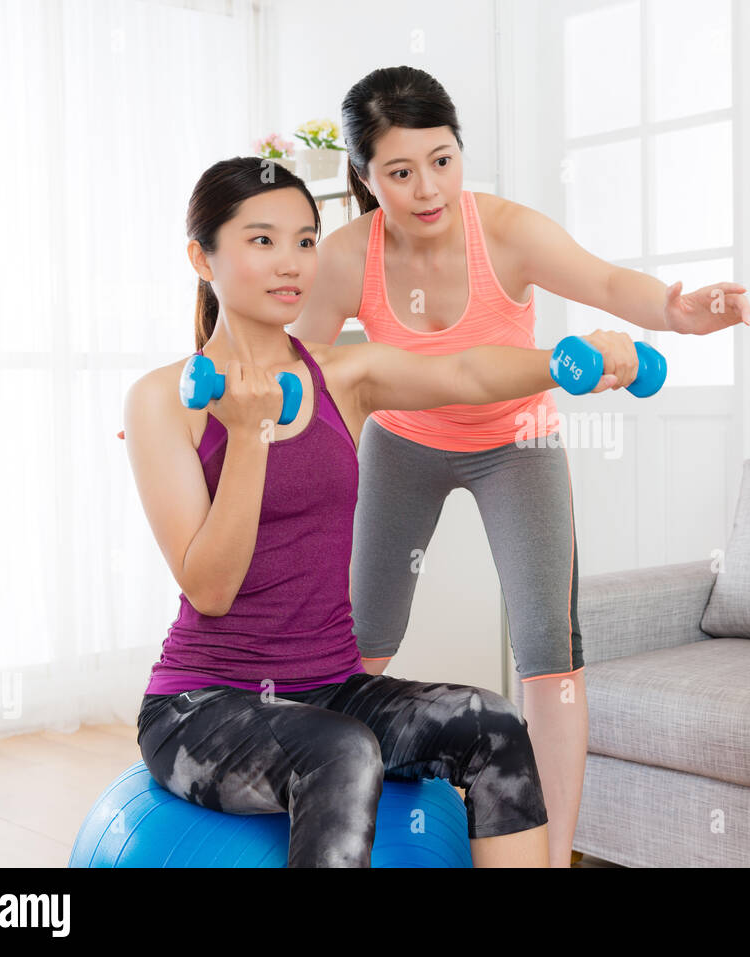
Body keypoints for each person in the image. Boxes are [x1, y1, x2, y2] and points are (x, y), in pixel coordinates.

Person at [291, 65, 750, 867]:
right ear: (365, 177)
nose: (427, 188)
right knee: (361, 642)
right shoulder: (347, 256)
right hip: (403, 443)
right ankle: (312, 805)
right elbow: (286, 358)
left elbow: (609, 280)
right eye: (400, 172)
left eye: (442, 159)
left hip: (518, 443)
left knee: (550, 649)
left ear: (458, 150)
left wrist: (680, 314)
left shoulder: (506, 231)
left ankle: (553, 858)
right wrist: (189, 408)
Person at [124, 155, 624, 867]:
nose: (292, 261)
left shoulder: (343, 372)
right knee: (343, 752)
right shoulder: (159, 399)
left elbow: (465, 371)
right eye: (262, 240)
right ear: (201, 256)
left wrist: (567, 359)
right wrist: (246, 434)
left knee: (495, 724)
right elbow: (210, 586)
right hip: (201, 708)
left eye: (305, 240)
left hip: (331, 687)